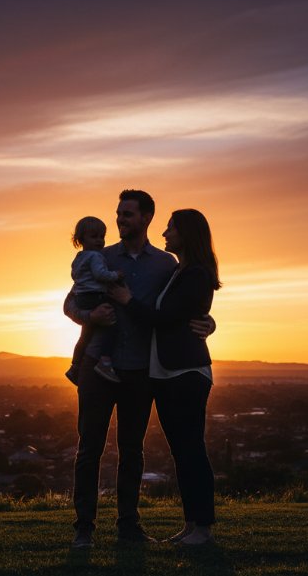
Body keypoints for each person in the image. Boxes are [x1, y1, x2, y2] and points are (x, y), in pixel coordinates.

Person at [63, 190, 215, 548]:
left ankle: (128, 526)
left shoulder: (166, 265)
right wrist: (89, 315)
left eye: (128, 214)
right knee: (89, 448)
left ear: (146, 217)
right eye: (118, 214)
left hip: (141, 372)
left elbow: (181, 303)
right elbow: (70, 302)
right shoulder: (99, 256)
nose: (120, 220)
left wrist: (207, 320)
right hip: (96, 369)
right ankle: (84, 527)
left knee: (132, 451)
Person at [109, 208, 221, 546]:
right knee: (182, 452)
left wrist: (127, 300)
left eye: (170, 228)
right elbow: (185, 314)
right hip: (168, 374)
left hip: (186, 373)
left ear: (186, 233)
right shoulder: (180, 271)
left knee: (191, 451)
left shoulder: (196, 274)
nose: (164, 234)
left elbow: (166, 318)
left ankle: (202, 528)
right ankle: (191, 526)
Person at [66, 216, 124, 385]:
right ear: (81, 238)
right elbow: (100, 274)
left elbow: (75, 277)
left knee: (85, 334)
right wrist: (116, 275)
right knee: (111, 324)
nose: (100, 241)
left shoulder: (79, 257)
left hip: (82, 297)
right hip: (95, 297)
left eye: (102, 236)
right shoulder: (96, 257)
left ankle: (74, 366)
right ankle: (105, 361)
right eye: (94, 236)